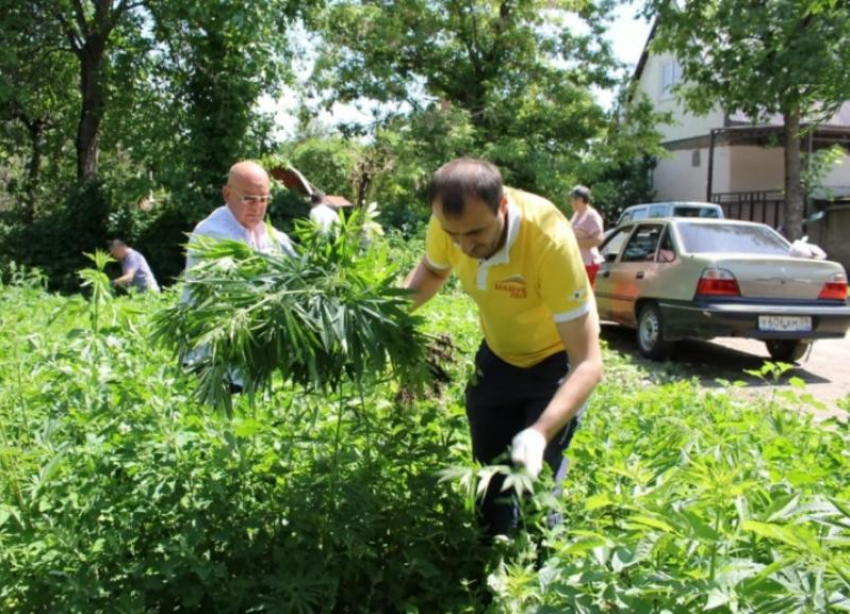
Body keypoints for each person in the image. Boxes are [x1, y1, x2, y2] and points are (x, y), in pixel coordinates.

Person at [404, 158, 603, 539]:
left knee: (535, 490)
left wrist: (540, 432)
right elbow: (433, 270)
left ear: (503, 207)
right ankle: (489, 573)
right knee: (490, 481)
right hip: (498, 358)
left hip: (555, 364)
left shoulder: (548, 239)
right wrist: (379, 312)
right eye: (454, 235)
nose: (464, 245)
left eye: (476, 233)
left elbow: (588, 364)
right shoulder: (451, 220)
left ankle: (541, 581)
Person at [182, 161, 296, 390]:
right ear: (227, 193)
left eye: (263, 199)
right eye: (249, 199)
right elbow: (249, 284)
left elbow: (296, 274)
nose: (257, 207)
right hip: (211, 361)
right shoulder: (213, 233)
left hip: (249, 362)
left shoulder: (274, 237)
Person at [569, 185, 605, 286]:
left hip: (588, 263)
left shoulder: (591, 215)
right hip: (578, 262)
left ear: (579, 200)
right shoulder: (576, 214)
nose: (570, 202)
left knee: (583, 297)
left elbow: (599, 239)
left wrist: (575, 244)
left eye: (571, 199)